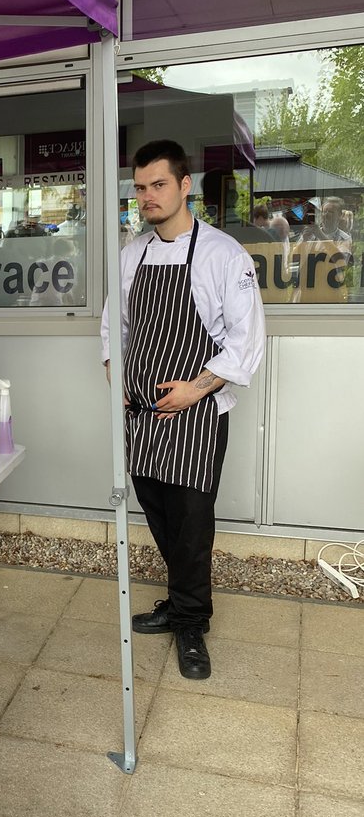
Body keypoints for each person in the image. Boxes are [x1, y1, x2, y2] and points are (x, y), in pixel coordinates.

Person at [101, 140, 265, 680]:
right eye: (141, 188)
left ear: (184, 185)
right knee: (158, 513)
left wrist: (195, 389)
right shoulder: (133, 254)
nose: (147, 196)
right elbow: (115, 328)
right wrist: (116, 375)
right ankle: (181, 599)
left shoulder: (223, 255)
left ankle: (192, 622)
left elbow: (247, 342)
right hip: (143, 412)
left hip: (195, 414)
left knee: (192, 525)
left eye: (158, 185)